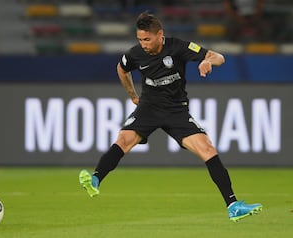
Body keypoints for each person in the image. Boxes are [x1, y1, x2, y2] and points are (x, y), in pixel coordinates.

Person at [79, 12, 262, 222]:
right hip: (149, 108)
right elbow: (121, 69)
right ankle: (95, 179)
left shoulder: (178, 47)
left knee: (208, 149)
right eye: (140, 39)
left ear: (160, 34)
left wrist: (208, 62)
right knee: (123, 140)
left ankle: (233, 205)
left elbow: (218, 56)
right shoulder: (135, 54)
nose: (143, 44)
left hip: (176, 110)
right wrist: (132, 95)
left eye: (147, 39)